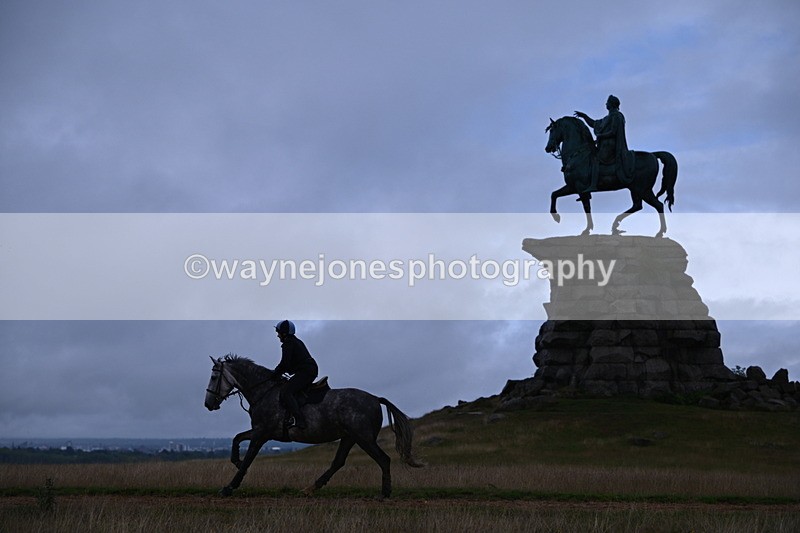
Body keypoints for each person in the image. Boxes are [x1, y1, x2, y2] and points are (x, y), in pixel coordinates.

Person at [574, 94, 634, 191]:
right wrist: (584, 116)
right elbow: (594, 124)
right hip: (604, 145)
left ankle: (593, 185)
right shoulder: (607, 118)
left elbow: (613, 132)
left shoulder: (617, 116)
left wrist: (600, 136)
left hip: (610, 146)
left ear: (611, 104)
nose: (606, 104)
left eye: (607, 102)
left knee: (595, 159)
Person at [273, 320, 319, 429]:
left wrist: (274, 373)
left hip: (306, 371)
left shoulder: (288, 343)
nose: (278, 335)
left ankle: (299, 420)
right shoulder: (294, 341)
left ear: (284, 333)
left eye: (278, 333)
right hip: (308, 370)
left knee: (286, 392)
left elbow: (285, 363)